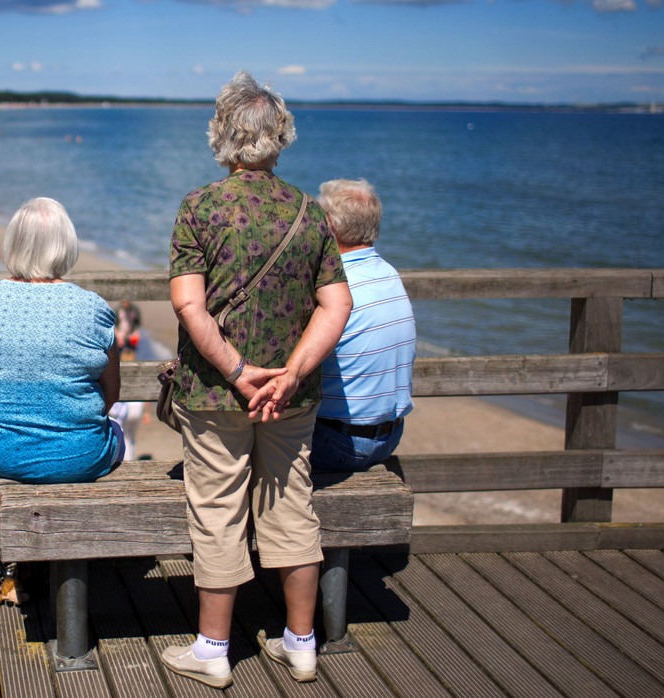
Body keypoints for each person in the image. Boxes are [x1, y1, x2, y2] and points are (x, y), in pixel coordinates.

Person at [160, 71, 351, 689]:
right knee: (291, 505)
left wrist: (240, 372)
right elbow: (337, 304)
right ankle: (301, 643)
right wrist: (290, 374)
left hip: (216, 393)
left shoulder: (200, 207)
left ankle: (213, 648)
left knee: (217, 510)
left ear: (221, 135)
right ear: (281, 137)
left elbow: (189, 307)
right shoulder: (310, 213)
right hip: (288, 397)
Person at [0, 197, 124, 484]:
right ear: (66, 245)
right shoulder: (92, 307)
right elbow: (110, 393)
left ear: (14, 244)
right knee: (118, 435)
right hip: (79, 456)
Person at [311, 179, 416, 472]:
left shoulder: (337, 285)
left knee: (253, 445)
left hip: (339, 441)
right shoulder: (388, 274)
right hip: (390, 436)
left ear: (329, 227)